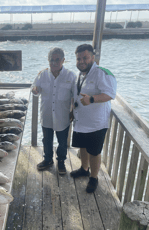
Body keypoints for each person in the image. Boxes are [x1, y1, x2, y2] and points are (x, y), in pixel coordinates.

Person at [71, 44, 117, 193]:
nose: (81, 61)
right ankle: (84, 169)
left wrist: (92, 99)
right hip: (81, 121)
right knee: (83, 147)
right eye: (79, 58)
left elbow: (110, 94)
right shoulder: (81, 74)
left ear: (93, 57)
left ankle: (94, 177)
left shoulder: (102, 73)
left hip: (96, 123)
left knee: (95, 152)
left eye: (85, 57)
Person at [32, 47, 76, 175]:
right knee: (47, 140)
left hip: (63, 115)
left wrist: (73, 111)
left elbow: (75, 95)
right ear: (48, 60)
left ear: (63, 60)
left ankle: (61, 161)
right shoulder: (42, 74)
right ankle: (47, 160)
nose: (54, 63)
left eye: (57, 60)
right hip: (46, 114)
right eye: (52, 60)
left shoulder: (71, 75)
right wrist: (35, 89)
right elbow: (35, 88)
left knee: (62, 142)